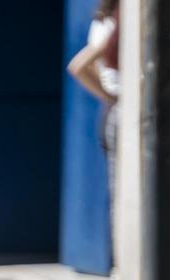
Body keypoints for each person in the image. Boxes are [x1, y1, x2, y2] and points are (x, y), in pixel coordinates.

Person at [68, 0, 120, 205]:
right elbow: (79, 67)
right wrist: (111, 96)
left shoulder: (100, 21)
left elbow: (90, 68)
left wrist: (106, 93)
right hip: (117, 108)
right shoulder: (116, 24)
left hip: (109, 111)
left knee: (117, 192)